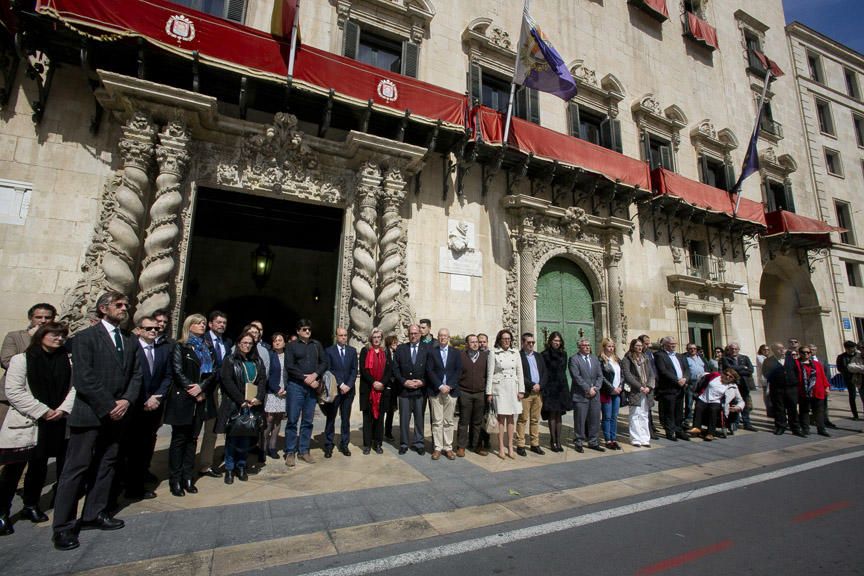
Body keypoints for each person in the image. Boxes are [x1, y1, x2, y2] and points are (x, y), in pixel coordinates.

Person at [51, 291, 141, 551]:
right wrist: (109, 405)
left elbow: (136, 374)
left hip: (119, 414)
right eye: (119, 305)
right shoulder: (85, 338)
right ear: (103, 309)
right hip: (90, 413)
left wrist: (126, 400)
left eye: (126, 304)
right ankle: (64, 526)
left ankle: (94, 513)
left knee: (107, 463)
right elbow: (84, 378)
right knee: (76, 468)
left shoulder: (129, 340)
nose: (125, 308)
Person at [0, 322, 75, 535]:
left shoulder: (68, 360)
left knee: (39, 467)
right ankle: (2, 511)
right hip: (28, 421)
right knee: (13, 469)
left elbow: (74, 387)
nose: (59, 339)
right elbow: (14, 391)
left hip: (56, 420)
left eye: (62, 336)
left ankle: (31, 505)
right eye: (54, 334)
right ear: (41, 335)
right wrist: (42, 411)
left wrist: (62, 410)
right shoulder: (21, 360)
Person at [120, 316, 171, 500]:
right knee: (128, 448)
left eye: (156, 329)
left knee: (145, 447)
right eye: (149, 328)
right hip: (135, 406)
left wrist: (157, 396)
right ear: (139, 330)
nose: (153, 331)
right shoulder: (131, 348)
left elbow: (167, 375)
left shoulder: (163, 350)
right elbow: (129, 377)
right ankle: (123, 484)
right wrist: (143, 398)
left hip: (154, 406)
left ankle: (137, 485)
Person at [165, 314, 216, 496]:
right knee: (179, 440)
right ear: (189, 325)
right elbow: (177, 370)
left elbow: (213, 372)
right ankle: (175, 479)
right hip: (183, 399)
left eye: (204, 323)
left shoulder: (207, 348)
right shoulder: (180, 346)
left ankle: (188, 476)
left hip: (201, 398)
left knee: (193, 439)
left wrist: (201, 388)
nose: (203, 325)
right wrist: (191, 387)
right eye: (199, 323)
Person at [216, 330, 266, 483]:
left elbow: (263, 380)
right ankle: (230, 468)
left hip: (252, 405)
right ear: (238, 344)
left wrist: (258, 398)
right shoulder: (230, 360)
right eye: (244, 343)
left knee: (247, 437)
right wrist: (240, 400)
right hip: (235, 405)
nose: (247, 346)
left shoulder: (257, 361)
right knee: (232, 437)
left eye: (250, 343)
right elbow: (227, 381)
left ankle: (242, 466)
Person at [0, 303, 57, 428]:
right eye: (39, 317)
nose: (43, 321)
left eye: (47, 318)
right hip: (12, 398)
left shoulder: (58, 340)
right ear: (31, 318)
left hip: (44, 399)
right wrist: (35, 340)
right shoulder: (15, 336)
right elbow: (6, 361)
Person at [283, 319, 327, 466]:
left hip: (312, 387)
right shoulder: (291, 346)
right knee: (292, 420)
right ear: (298, 331)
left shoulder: (316, 345)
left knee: (308, 421)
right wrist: (304, 378)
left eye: (309, 329)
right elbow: (289, 366)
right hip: (296, 386)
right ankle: (290, 451)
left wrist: (315, 375)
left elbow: (324, 362)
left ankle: (304, 450)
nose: (307, 331)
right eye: (304, 329)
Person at [199, 310, 230, 478]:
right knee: (193, 430)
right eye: (218, 322)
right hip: (202, 390)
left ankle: (206, 464)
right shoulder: (201, 341)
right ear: (210, 324)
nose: (222, 325)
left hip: (218, 391)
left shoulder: (226, 343)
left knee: (211, 430)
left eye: (224, 323)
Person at [392, 324, 430, 455]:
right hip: (404, 391)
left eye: (415, 333)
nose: (413, 336)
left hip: (420, 391)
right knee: (404, 418)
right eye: (411, 334)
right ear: (408, 335)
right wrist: (404, 381)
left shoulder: (427, 349)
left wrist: (422, 382)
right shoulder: (401, 349)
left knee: (419, 418)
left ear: (420, 334)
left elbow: (430, 369)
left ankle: (419, 443)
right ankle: (403, 443)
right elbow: (395, 369)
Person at [486, 329, 523, 459]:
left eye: (509, 339)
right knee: (501, 419)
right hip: (500, 388)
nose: (507, 341)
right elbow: (490, 373)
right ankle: (501, 446)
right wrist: (489, 392)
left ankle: (510, 447)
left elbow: (520, 372)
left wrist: (521, 390)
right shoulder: (493, 353)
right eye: (504, 339)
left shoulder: (516, 353)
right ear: (500, 340)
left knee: (512, 418)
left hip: (513, 387)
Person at [427, 328, 462, 461]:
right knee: (437, 421)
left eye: (445, 336)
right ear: (438, 337)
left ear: (449, 337)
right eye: (440, 336)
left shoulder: (456, 353)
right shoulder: (432, 352)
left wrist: (449, 386)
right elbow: (429, 370)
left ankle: (448, 448)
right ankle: (437, 448)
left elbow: (458, 371)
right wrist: (440, 386)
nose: (443, 338)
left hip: (451, 392)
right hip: (436, 391)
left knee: (448, 421)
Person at [323, 327, 357, 458]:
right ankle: (328, 445)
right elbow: (329, 369)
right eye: (341, 335)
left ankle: (344, 444)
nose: (343, 337)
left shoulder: (352, 351)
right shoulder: (329, 351)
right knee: (331, 418)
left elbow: (354, 370)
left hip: (348, 391)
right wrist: (341, 384)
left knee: (345, 419)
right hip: (335, 390)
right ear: (336, 336)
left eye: (345, 335)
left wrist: (348, 385)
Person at [359, 328, 391, 455]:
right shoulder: (365, 351)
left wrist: (382, 383)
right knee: (367, 418)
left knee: (379, 419)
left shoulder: (386, 352)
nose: (376, 339)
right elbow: (363, 370)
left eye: (379, 337)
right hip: (368, 389)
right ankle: (367, 444)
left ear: (382, 338)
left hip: (381, 390)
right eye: (374, 337)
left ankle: (378, 443)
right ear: (371, 338)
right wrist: (374, 382)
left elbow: (389, 370)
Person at [569, 338, 604, 452]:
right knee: (580, 419)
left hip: (595, 395)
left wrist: (596, 388)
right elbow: (576, 377)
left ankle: (593, 441)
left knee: (595, 419)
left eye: (588, 345)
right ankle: (578, 441)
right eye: (584, 345)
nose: (587, 347)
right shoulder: (574, 359)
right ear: (579, 347)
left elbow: (600, 376)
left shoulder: (594, 359)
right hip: (581, 395)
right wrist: (588, 389)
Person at [457, 334, 489, 456]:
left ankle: (476, 445)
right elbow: (457, 373)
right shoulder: (461, 356)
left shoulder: (484, 356)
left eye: (476, 342)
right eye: (472, 342)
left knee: (478, 422)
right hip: (465, 392)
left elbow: (487, 375)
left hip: (480, 393)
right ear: (467, 344)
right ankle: (461, 446)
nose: (475, 344)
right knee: (464, 421)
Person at [654, 336, 690, 442]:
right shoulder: (660, 355)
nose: (673, 345)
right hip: (668, 388)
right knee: (668, 411)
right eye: (671, 343)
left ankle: (679, 430)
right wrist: (677, 380)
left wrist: (685, 379)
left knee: (679, 411)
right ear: (665, 344)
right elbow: (663, 371)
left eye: (675, 343)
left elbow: (687, 369)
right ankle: (670, 431)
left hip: (680, 388)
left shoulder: (680, 356)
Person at [540, 331, 571, 452]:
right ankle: (552, 441)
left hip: (561, 387)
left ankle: (559, 441)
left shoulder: (564, 354)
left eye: (558, 341)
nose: (557, 343)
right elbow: (544, 371)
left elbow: (563, 370)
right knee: (552, 414)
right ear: (550, 341)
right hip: (550, 387)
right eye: (555, 341)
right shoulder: (544, 354)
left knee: (559, 414)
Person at [688, 368, 739, 441]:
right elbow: (703, 377)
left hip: (716, 400)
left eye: (730, 377)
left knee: (713, 410)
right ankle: (696, 428)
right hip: (704, 397)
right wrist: (698, 389)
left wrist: (738, 406)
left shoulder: (732, 386)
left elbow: (739, 399)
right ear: (723, 373)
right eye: (726, 374)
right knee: (698, 407)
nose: (727, 377)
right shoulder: (715, 376)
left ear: (733, 379)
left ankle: (710, 433)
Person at [516, 332, 546, 456]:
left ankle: (535, 443)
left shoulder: (538, 356)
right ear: (523, 343)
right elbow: (519, 374)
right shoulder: (519, 356)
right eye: (529, 342)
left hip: (538, 393)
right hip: (527, 392)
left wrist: (540, 385)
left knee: (535, 419)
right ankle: (521, 444)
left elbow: (545, 372)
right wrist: (532, 385)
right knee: (523, 419)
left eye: (533, 342)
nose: (531, 345)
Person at [763, 343, 802, 436]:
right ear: (774, 350)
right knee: (779, 408)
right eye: (778, 348)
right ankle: (780, 426)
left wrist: (793, 381)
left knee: (792, 408)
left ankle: (795, 428)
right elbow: (766, 373)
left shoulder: (791, 359)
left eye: (782, 348)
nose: (781, 350)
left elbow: (796, 371)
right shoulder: (768, 361)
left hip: (791, 388)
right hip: (777, 388)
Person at [621, 338, 654, 447]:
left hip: (646, 391)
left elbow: (651, 374)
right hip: (635, 391)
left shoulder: (646, 358)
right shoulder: (627, 359)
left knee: (644, 414)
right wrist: (639, 387)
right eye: (637, 346)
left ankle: (645, 438)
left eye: (641, 346)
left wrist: (649, 386)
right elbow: (628, 375)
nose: (639, 348)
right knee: (635, 414)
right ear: (632, 347)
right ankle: (635, 438)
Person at [721, 343, 757, 432]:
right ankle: (734, 423)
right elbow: (728, 369)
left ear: (738, 349)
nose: (734, 350)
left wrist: (736, 371)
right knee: (734, 404)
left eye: (736, 349)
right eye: (732, 349)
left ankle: (747, 423)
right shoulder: (725, 359)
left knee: (745, 404)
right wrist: (742, 367)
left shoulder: (745, 358)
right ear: (729, 350)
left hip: (744, 384)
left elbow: (750, 370)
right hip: (732, 385)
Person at [796, 346, 831, 437]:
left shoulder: (816, 364)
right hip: (803, 392)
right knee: (804, 411)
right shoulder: (796, 364)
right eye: (803, 352)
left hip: (817, 391)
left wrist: (826, 387)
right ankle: (805, 429)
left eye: (808, 352)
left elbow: (823, 376)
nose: (806, 354)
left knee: (819, 411)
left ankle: (821, 429)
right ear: (799, 353)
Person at [264, 332, 287, 459]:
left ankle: (272, 447)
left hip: (285, 391)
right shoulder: (270, 356)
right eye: (275, 340)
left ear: (284, 342)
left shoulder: (288, 356)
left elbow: (291, 373)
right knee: (269, 420)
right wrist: (277, 389)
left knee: (279, 420)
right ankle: (263, 446)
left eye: (280, 340)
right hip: (273, 392)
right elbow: (268, 375)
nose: (277, 342)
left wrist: (286, 389)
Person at [598, 338, 623, 451]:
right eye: (609, 346)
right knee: (607, 417)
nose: (611, 348)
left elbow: (622, 375)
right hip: (607, 392)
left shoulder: (617, 359)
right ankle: (608, 439)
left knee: (614, 416)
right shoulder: (601, 360)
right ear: (604, 347)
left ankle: (614, 438)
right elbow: (601, 377)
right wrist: (612, 388)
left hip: (617, 392)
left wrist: (620, 387)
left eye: (612, 346)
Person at [638, 334, 659, 440]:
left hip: (651, 384)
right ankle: (648, 430)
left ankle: (651, 427)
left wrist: (654, 381)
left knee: (649, 407)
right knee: (643, 409)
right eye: (646, 343)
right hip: (642, 386)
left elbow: (653, 367)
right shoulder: (636, 354)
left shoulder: (650, 353)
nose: (648, 345)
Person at [836, 340, 863, 421]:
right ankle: (855, 415)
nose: (854, 349)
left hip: (860, 378)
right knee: (852, 396)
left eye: (854, 347)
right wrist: (850, 371)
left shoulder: (858, 355)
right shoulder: (841, 357)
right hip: (849, 379)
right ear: (847, 348)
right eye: (852, 348)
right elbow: (840, 368)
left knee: (862, 396)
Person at [683, 343, 705, 428]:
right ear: (687, 349)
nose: (693, 350)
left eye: (694, 349)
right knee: (689, 403)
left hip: (701, 382)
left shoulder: (701, 358)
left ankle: (699, 419)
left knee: (700, 403)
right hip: (691, 383)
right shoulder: (685, 358)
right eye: (690, 349)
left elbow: (706, 367)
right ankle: (688, 419)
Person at [383, 335, 399, 441]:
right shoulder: (385, 353)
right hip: (386, 386)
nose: (396, 345)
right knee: (383, 410)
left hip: (394, 387)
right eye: (394, 343)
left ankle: (388, 432)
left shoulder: (397, 354)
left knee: (391, 411)